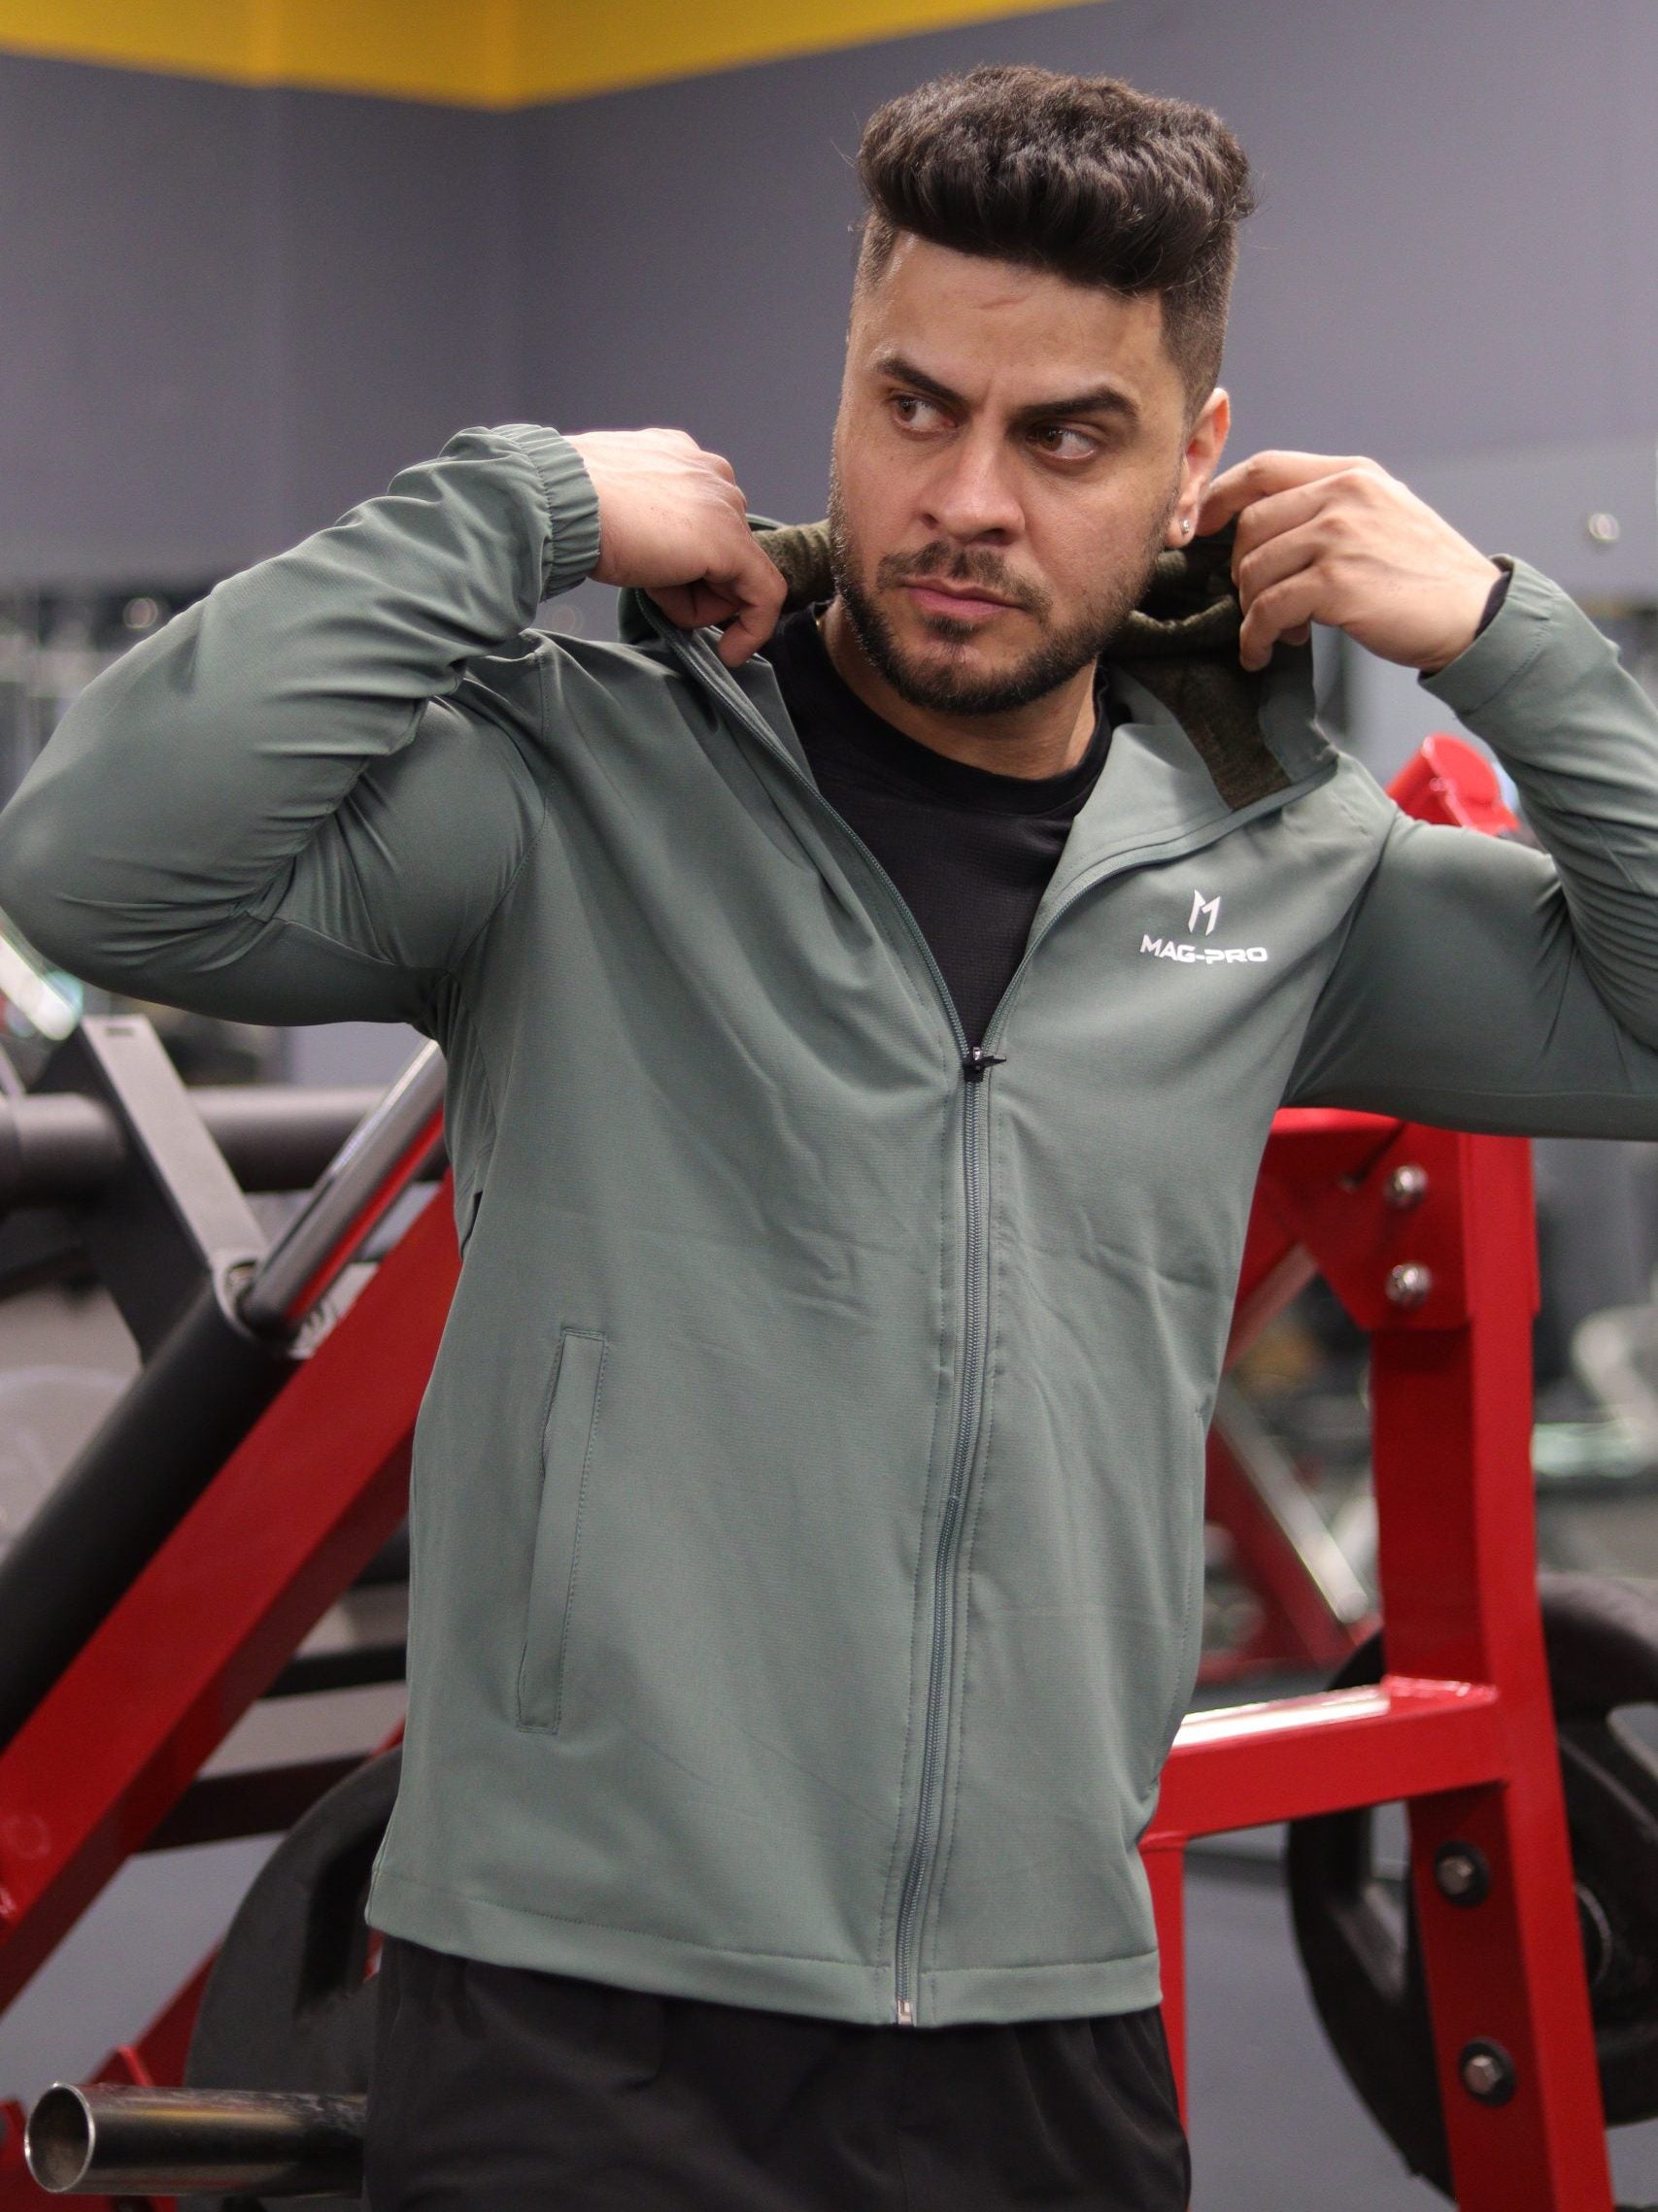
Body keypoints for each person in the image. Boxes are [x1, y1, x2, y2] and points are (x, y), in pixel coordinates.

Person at [5, 60, 1658, 2212]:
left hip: (1041, 2022)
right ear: (841, 394)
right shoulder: (571, 793)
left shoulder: (1279, 871)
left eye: (1062, 434)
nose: (965, 495)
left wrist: (1508, 639)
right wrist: (523, 503)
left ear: (1197, 470)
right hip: (565, 2007)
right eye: (910, 406)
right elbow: (97, 864)